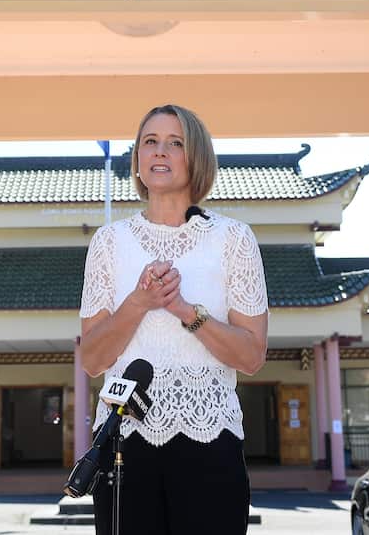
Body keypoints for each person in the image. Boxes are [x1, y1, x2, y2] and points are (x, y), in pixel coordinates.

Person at [78, 104, 268, 535]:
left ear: (196, 156)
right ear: (138, 159)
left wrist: (186, 311)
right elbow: (92, 359)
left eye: (175, 142)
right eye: (150, 141)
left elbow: (252, 355)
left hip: (211, 438)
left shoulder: (234, 239)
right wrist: (139, 302)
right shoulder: (108, 242)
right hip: (123, 440)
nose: (160, 151)